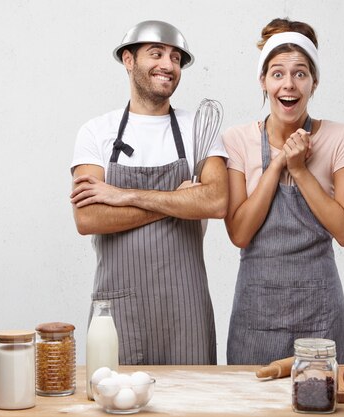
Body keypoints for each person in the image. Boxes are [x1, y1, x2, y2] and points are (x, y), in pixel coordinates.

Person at [70, 20, 228, 365]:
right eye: (156, 54)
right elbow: (88, 217)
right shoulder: (96, 131)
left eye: (175, 58)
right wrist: (181, 200)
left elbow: (216, 201)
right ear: (129, 60)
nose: (168, 65)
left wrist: (124, 195)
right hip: (119, 308)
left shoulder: (196, 128)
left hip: (186, 308)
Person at [223, 18, 344, 365]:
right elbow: (239, 233)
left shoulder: (339, 138)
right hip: (256, 315)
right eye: (277, 73)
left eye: (301, 73)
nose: (289, 85)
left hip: (320, 311)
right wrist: (276, 165)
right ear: (263, 81)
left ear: (314, 83)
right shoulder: (237, 140)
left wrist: (300, 170)